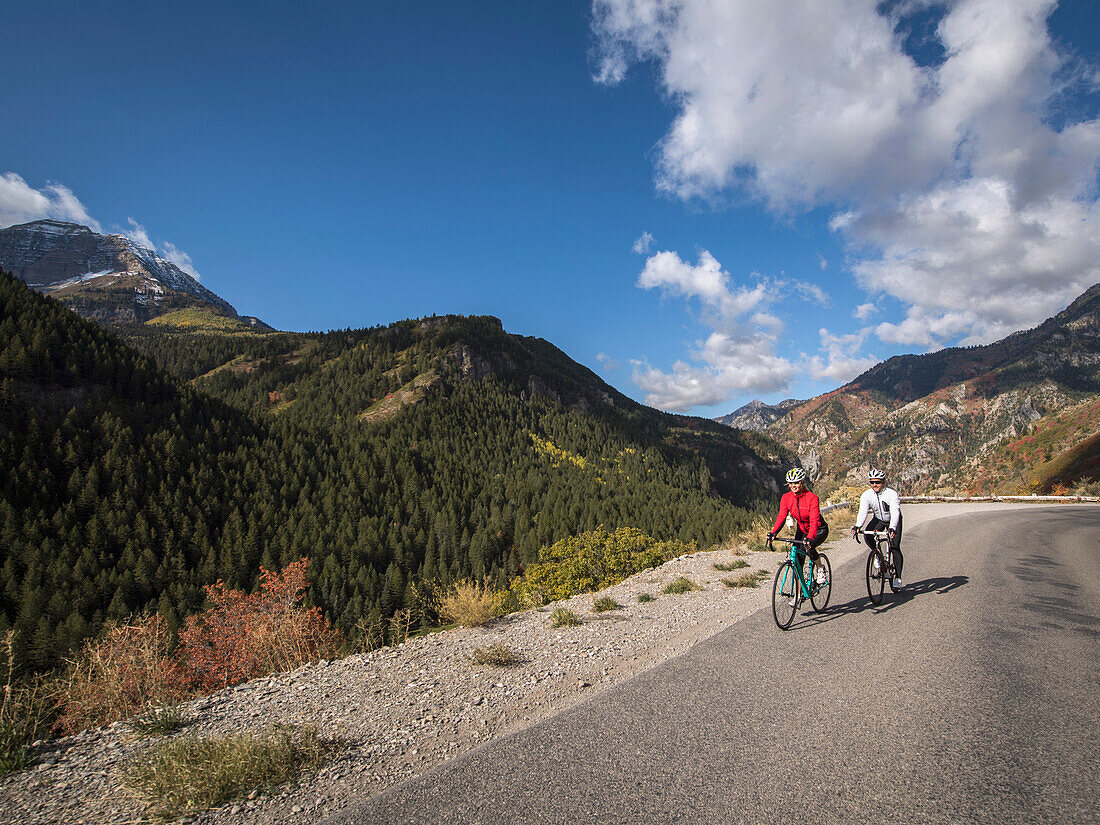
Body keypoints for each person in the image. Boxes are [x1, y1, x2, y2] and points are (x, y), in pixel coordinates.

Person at [768, 468, 829, 584]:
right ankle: (799, 593)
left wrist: (810, 538)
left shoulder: (812, 498)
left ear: (802, 483)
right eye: (791, 483)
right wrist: (774, 532)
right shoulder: (786, 498)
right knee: (797, 560)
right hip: (802, 529)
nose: (793, 486)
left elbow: (814, 520)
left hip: (819, 529)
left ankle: (820, 568)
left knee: (809, 547)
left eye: (796, 483)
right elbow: (781, 516)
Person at [851, 468, 904, 588]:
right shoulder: (867, 495)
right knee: (868, 536)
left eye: (878, 482)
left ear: (883, 482)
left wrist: (892, 528)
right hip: (879, 519)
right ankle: (877, 555)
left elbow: (895, 512)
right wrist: (858, 525)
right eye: (872, 482)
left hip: (893, 520)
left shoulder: (891, 494)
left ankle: (898, 578)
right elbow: (863, 512)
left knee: (895, 547)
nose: (875, 485)